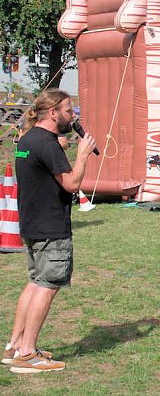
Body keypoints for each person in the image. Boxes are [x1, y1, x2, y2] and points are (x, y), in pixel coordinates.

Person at [3, 90, 98, 373]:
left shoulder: (28, 139)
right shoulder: (47, 143)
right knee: (47, 285)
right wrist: (81, 155)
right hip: (51, 227)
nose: (74, 116)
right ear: (54, 113)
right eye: (70, 110)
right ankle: (27, 354)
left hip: (31, 225)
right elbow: (71, 184)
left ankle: (15, 346)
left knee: (35, 282)